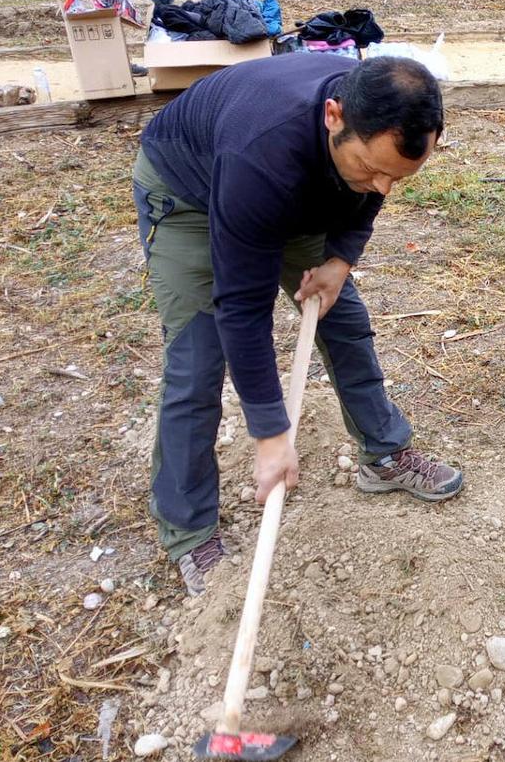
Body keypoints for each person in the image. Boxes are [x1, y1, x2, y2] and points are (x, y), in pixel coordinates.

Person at [132, 53, 463, 596]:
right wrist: (270, 433)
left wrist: (340, 261)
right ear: (333, 116)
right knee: (198, 359)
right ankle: (189, 530)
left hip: (293, 189)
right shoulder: (261, 152)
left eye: (397, 176)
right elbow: (242, 305)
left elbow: (373, 184)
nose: (382, 187)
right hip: (189, 192)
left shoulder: (374, 129)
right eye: (370, 168)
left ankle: (383, 454)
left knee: (342, 317)